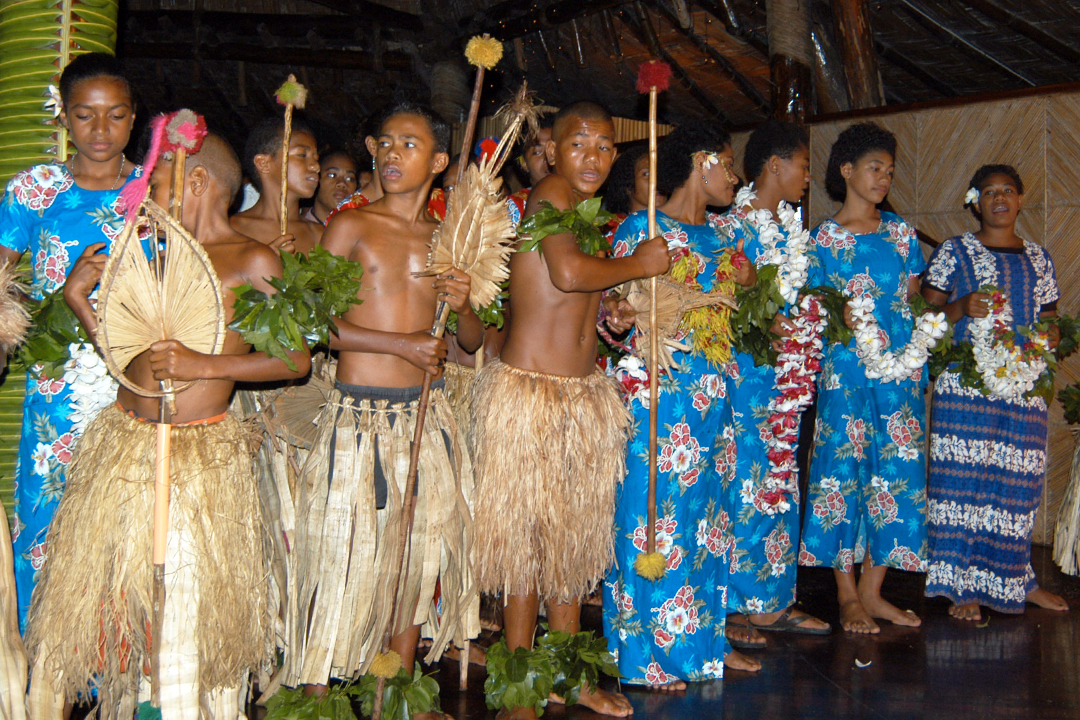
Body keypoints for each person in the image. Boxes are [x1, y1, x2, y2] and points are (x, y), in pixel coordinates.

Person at [25, 131, 311, 717]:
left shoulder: (252, 260)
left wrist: (204, 364)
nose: (145, 197)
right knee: (123, 608)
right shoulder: (156, 256)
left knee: (181, 606)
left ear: (196, 181)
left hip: (195, 458)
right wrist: (81, 302)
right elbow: (128, 365)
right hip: (124, 447)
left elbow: (295, 359)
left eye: (155, 185)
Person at [470, 101, 669, 720]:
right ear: (553, 150)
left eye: (605, 146)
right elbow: (565, 271)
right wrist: (640, 264)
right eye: (580, 143)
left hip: (580, 396)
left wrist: (612, 310)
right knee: (527, 548)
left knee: (570, 546)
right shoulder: (550, 194)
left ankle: (568, 674)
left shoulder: (584, 214)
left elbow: (573, 292)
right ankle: (521, 686)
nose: (594, 157)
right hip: (532, 396)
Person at [282, 102, 481, 699]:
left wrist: (464, 303)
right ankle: (317, 702)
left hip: (424, 415)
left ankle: (398, 693)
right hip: (357, 417)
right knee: (339, 557)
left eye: (409, 145)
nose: (392, 154)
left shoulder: (448, 241)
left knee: (413, 557)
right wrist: (401, 344)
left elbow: (470, 342)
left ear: (439, 162)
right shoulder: (352, 227)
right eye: (385, 143)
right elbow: (317, 325)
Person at [602, 122, 761, 688]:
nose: (734, 177)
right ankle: (645, 656)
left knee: (707, 523)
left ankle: (704, 645)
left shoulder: (726, 239)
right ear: (701, 160)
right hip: (659, 398)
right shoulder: (641, 229)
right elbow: (612, 313)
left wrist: (750, 284)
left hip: (714, 403)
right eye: (728, 164)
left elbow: (741, 322)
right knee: (652, 522)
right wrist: (620, 316)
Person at [0, 52, 142, 631]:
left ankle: (117, 668)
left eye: (116, 115)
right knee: (47, 525)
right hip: (56, 392)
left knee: (126, 529)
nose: (101, 130)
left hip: (137, 383)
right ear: (63, 116)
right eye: (85, 115)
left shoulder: (158, 189)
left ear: (134, 117)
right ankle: (41, 662)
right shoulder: (34, 191)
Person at [922, 164, 1069, 621]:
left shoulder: (1040, 259)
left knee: (1015, 488)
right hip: (964, 388)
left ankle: (1015, 579)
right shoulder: (953, 252)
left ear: (1020, 200)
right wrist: (960, 307)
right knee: (962, 484)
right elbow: (922, 316)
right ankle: (960, 584)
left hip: (1023, 386)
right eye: (988, 192)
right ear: (975, 202)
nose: (999, 198)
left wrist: (1049, 338)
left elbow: (1050, 319)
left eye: (1008, 190)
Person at [800, 122, 930, 633]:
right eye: (875, 168)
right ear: (847, 170)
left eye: (890, 172)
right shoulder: (822, 239)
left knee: (894, 472)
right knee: (842, 473)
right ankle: (847, 595)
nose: (883, 179)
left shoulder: (901, 233)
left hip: (898, 374)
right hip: (846, 372)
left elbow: (913, 297)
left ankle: (874, 592)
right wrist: (836, 314)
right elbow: (810, 306)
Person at [716, 119, 831, 642]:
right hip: (744, 377)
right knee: (745, 482)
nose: (808, 177)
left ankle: (772, 599)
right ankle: (733, 604)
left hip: (788, 377)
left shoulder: (792, 231)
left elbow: (802, 296)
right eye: (803, 166)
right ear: (775, 165)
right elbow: (721, 299)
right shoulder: (732, 226)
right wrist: (765, 321)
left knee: (780, 482)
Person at [230, 116, 322, 253]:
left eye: (316, 158)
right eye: (302, 155)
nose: (316, 167)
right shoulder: (233, 230)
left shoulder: (319, 234)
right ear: (263, 163)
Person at [302, 149, 357, 225]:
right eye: (332, 175)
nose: (342, 183)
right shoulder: (296, 229)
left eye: (350, 178)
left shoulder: (361, 228)